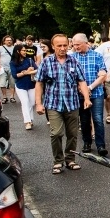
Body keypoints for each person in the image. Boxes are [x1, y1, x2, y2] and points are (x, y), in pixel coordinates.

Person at [35, 34, 91, 174]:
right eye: (59, 46)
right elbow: (39, 83)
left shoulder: (74, 61)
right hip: (53, 104)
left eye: (65, 45)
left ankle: (70, 159)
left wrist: (86, 98)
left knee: (72, 134)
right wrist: (38, 104)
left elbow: (82, 81)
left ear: (69, 45)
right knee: (56, 133)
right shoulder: (46, 62)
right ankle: (58, 161)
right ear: (53, 46)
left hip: (72, 104)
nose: (62, 48)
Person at [71, 33, 108, 156]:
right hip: (80, 93)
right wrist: (81, 88)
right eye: (74, 44)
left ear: (85, 43)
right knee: (84, 119)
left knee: (98, 119)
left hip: (96, 92)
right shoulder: (72, 58)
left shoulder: (97, 55)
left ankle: (101, 145)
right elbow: (71, 77)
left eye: (78, 44)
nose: (75, 47)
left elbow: (103, 74)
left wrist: (90, 87)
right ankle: (87, 142)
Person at [9, 44, 37, 130]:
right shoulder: (13, 62)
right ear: (18, 51)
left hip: (31, 84)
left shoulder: (29, 60)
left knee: (32, 103)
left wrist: (27, 72)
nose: (25, 52)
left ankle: (30, 119)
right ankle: (27, 122)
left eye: (25, 50)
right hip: (20, 85)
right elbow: (15, 75)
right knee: (25, 102)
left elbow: (37, 69)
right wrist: (26, 72)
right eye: (23, 50)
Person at [0, 35, 16, 103]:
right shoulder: (0, 48)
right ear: (4, 41)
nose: (9, 41)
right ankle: (4, 97)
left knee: (12, 83)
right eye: (7, 40)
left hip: (12, 68)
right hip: (2, 68)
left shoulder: (14, 48)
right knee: (2, 83)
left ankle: (12, 97)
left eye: (10, 40)